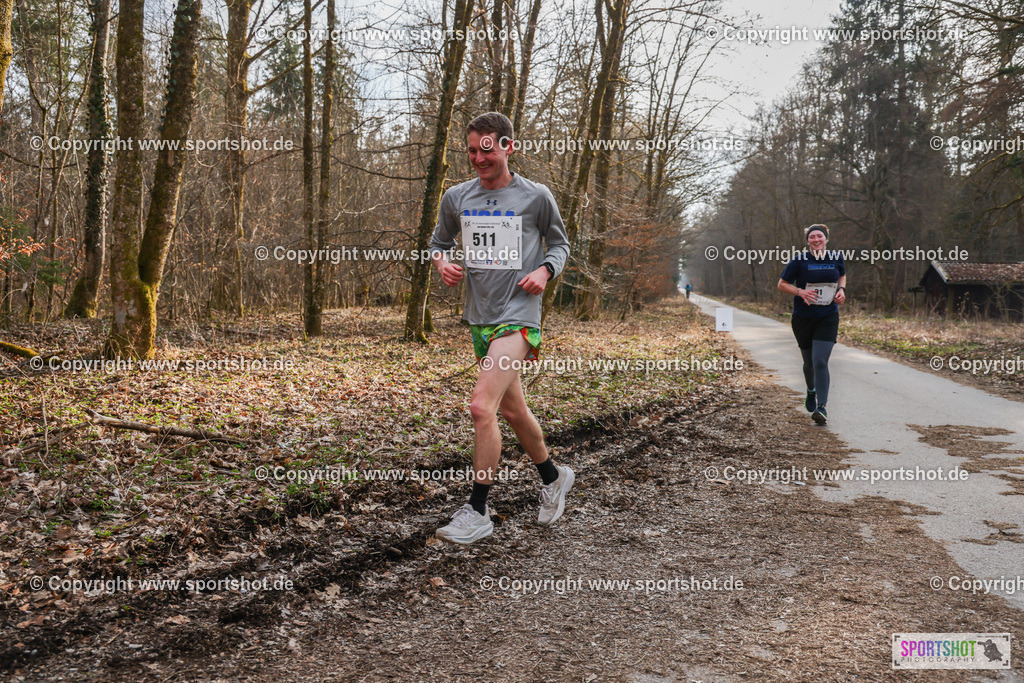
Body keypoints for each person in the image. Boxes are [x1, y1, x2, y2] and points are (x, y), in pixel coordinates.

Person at [430, 112, 574, 544]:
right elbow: (438, 243)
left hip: (519, 314)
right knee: (512, 411)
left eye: (487, 149)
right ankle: (553, 478)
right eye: (472, 151)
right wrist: (442, 263)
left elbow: (560, 243)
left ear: (508, 147)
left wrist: (545, 271)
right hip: (481, 316)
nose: (478, 158)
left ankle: (478, 511)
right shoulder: (457, 197)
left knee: (481, 407)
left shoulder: (535, 196)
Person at [776, 224, 846, 424]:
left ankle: (821, 407)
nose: (816, 240)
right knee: (809, 363)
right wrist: (801, 292)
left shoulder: (836, 258)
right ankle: (811, 390)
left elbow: (842, 275)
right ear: (808, 241)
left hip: (828, 317)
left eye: (819, 236)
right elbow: (782, 284)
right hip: (803, 318)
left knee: (820, 361)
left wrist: (842, 290)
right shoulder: (799, 260)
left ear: (826, 239)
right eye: (812, 237)